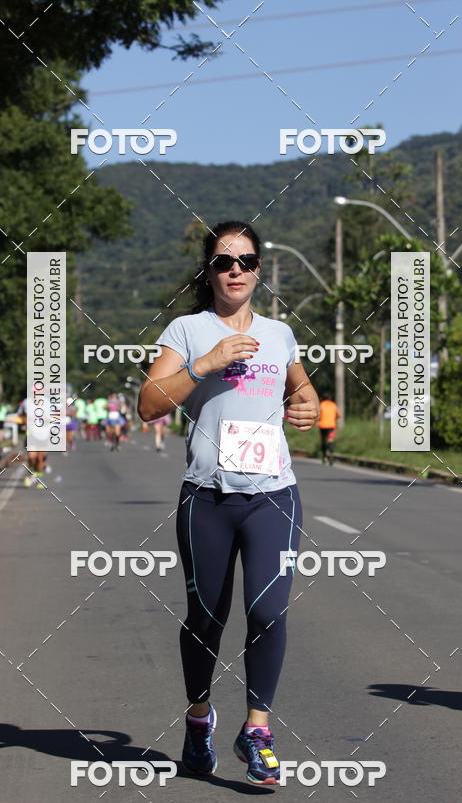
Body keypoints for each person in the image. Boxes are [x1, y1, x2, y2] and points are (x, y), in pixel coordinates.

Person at [138, 220, 319, 786]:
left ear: (258, 270)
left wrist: (308, 404)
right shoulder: (187, 329)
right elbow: (148, 404)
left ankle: (257, 731)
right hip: (207, 498)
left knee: (267, 611)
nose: (235, 269)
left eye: (245, 261)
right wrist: (205, 363)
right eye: (223, 261)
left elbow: (302, 390)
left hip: (274, 495)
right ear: (209, 271)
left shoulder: (279, 333)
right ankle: (199, 719)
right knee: (206, 619)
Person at [318, 394, 341, 465]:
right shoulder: (333, 405)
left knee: (323, 441)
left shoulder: (321, 405)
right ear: (330, 398)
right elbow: (339, 415)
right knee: (330, 441)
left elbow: (318, 415)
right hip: (331, 426)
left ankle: (324, 457)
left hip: (322, 425)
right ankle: (331, 456)